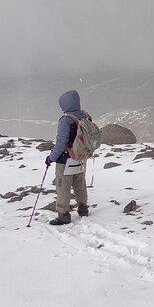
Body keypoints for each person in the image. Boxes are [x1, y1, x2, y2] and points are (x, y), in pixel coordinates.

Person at [45, 89, 93, 225]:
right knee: (80, 183)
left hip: (65, 159)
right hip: (81, 156)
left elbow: (61, 143)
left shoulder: (66, 120)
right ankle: (83, 209)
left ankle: (63, 216)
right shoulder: (86, 116)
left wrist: (51, 158)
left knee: (63, 186)